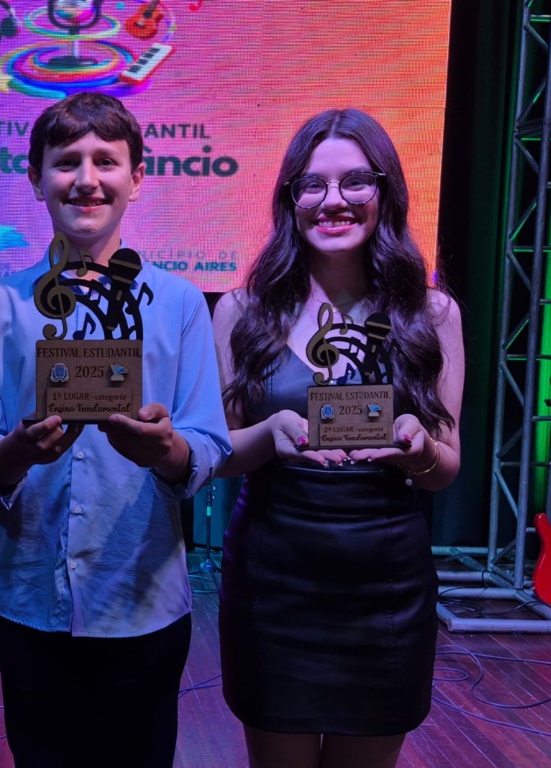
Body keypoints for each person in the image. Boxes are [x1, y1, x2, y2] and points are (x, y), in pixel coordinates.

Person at [0, 92, 231, 768]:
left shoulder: (180, 303)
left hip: (141, 600)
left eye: (106, 161)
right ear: (34, 176)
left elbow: (210, 444)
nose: (85, 179)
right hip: (27, 601)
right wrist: (15, 452)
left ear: (138, 177)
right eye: (65, 162)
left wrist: (168, 448)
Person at [211, 108, 464, 768]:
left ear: (385, 192)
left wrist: (419, 446)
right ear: (290, 198)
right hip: (275, 585)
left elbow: (447, 468)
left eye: (356, 181)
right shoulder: (242, 311)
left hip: (388, 590)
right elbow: (218, 457)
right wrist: (271, 432)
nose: (334, 201)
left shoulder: (433, 314)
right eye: (312, 184)